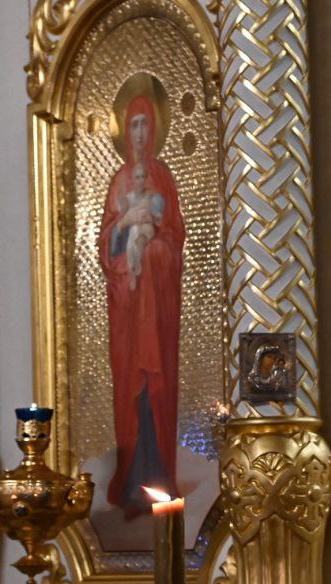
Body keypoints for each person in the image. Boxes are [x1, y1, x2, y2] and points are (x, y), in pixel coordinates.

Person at [98, 93, 185, 518]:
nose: (137, 133)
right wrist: (126, 229)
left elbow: (175, 240)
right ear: (124, 131)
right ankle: (133, 483)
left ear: (154, 131)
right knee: (131, 388)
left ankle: (161, 479)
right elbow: (106, 248)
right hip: (129, 312)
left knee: (157, 387)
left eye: (144, 125)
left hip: (158, 308)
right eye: (131, 124)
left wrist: (153, 251)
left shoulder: (163, 179)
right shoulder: (117, 182)